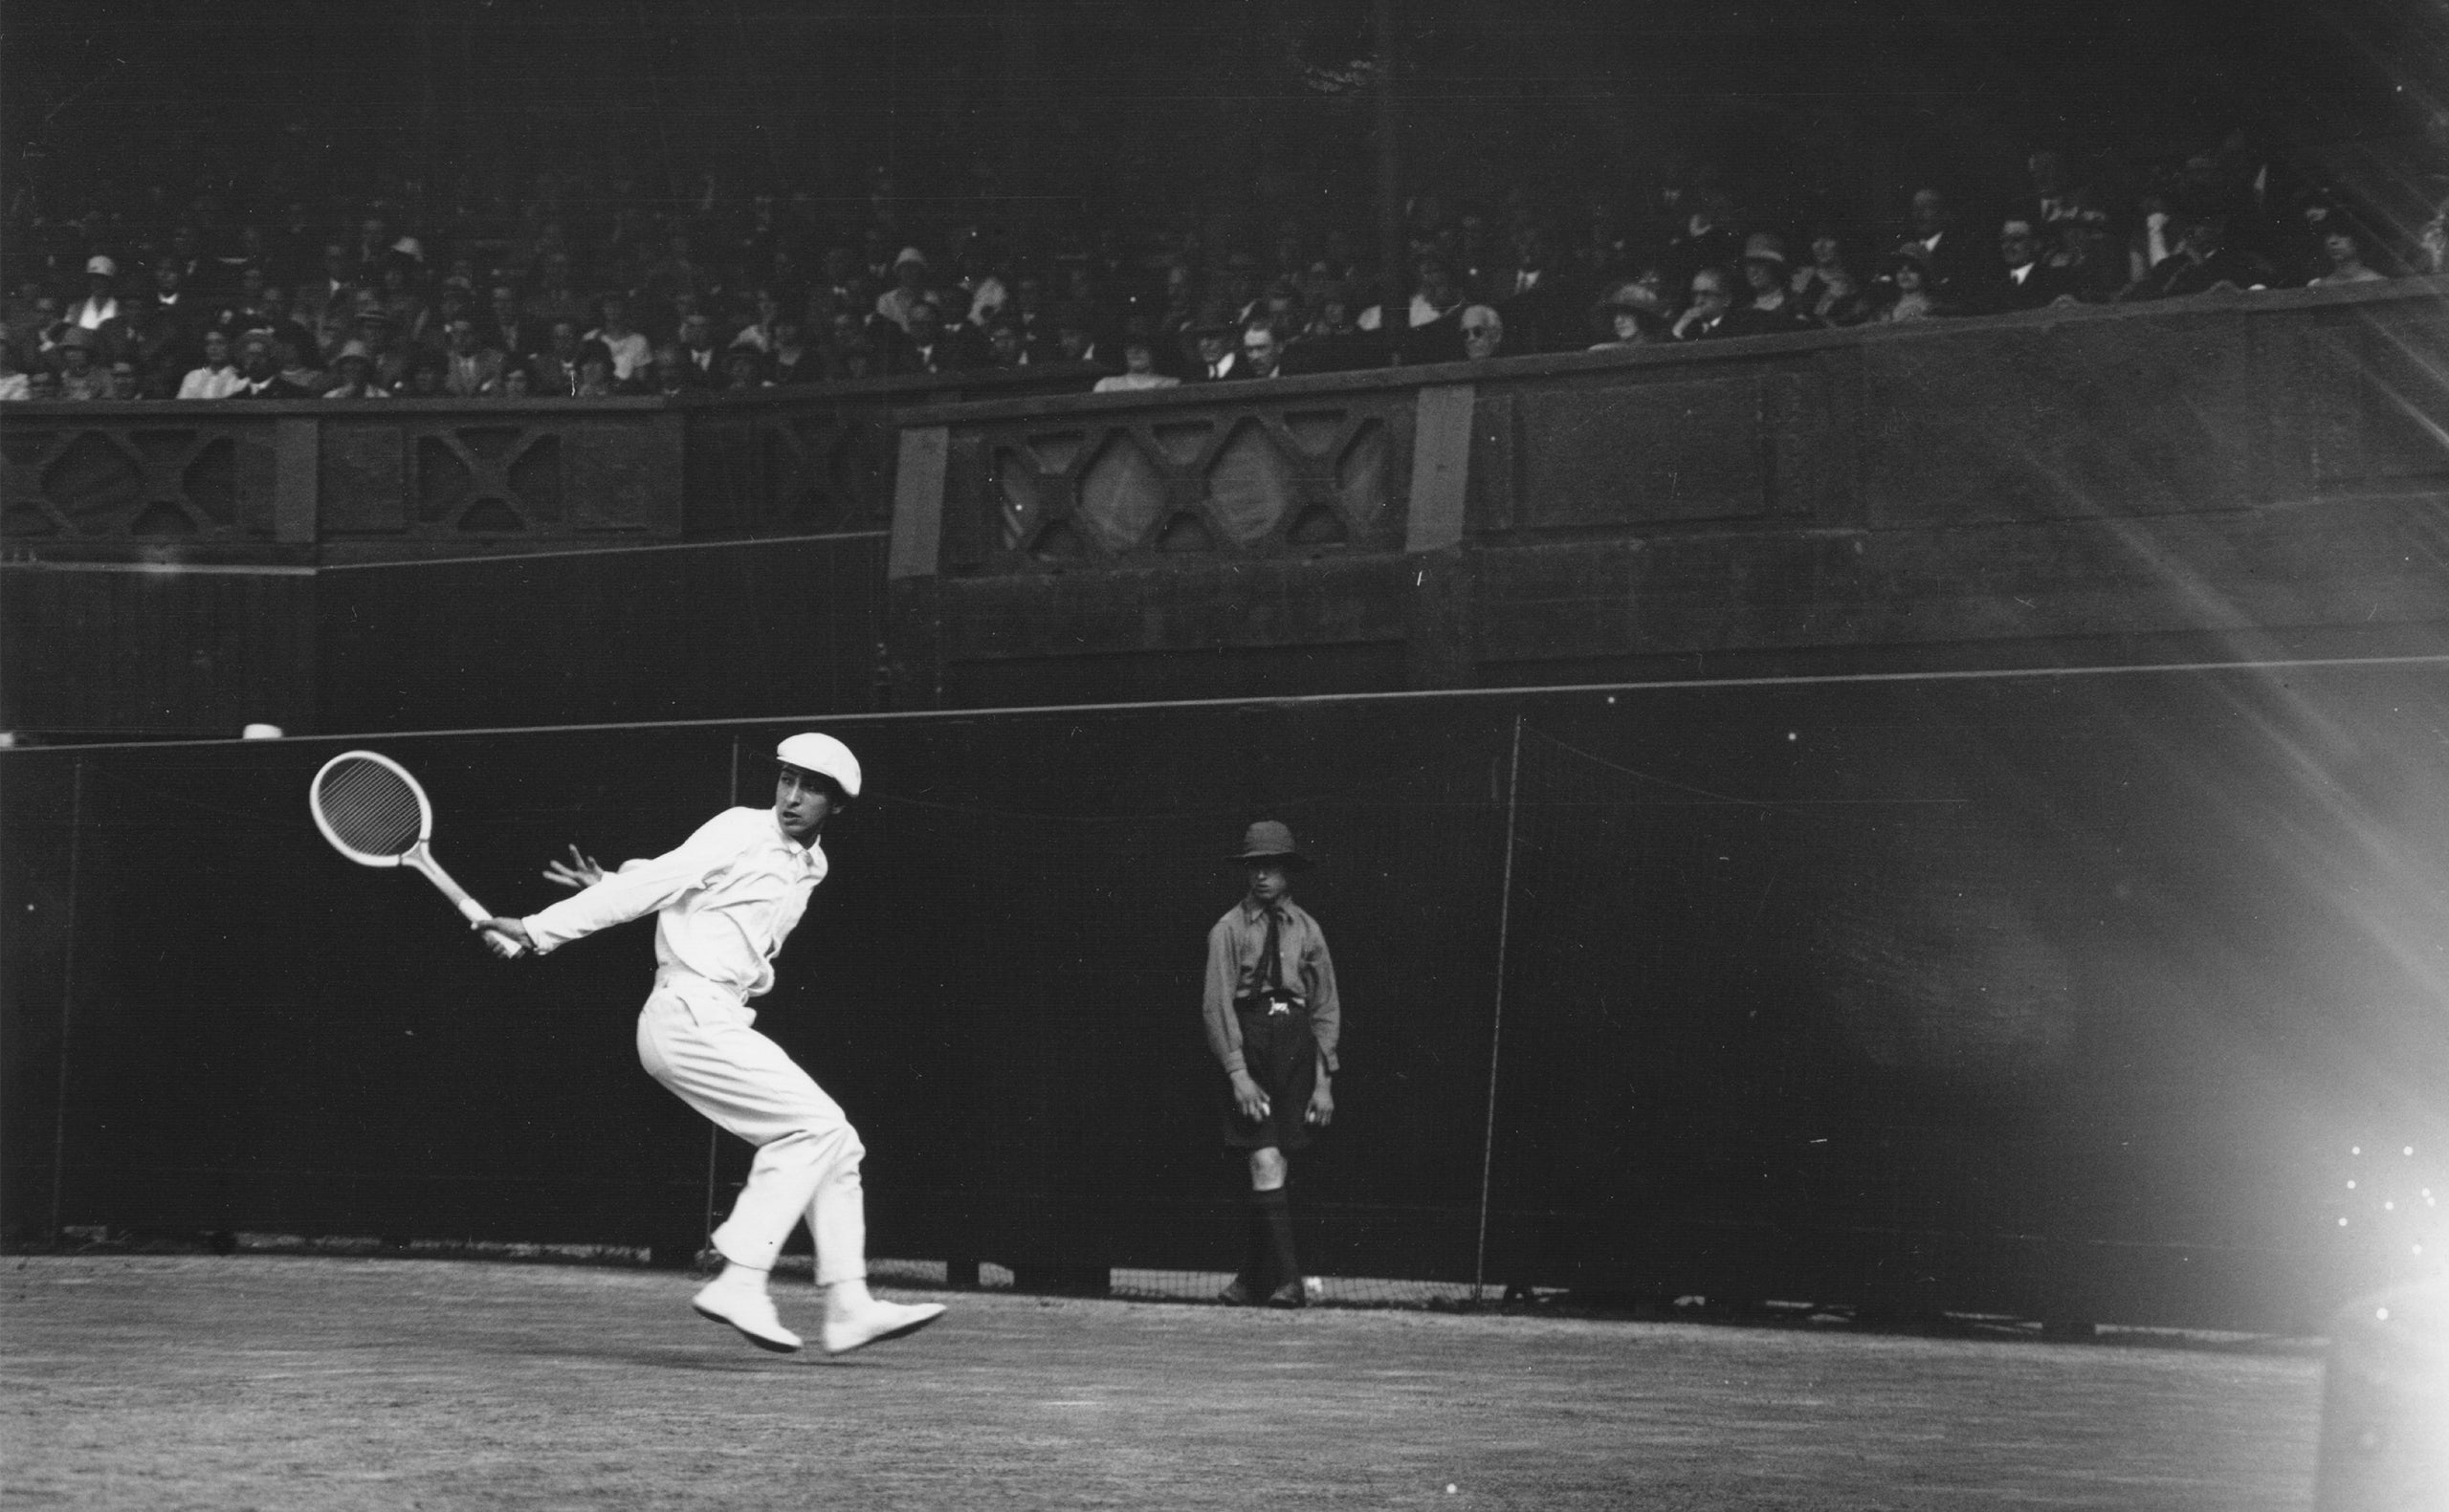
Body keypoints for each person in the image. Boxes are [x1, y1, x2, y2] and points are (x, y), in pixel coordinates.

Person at [474, 733, 947, 1357]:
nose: (792, 796)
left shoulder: (812, 866)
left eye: (810, 788)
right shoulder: (740, 827)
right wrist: (537, 929)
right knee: (813, 1129)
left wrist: (614, 878)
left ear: (838, 805)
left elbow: (700, 893)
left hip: (717, 1014)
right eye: (786, 780)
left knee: (837, 1142)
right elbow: (664, 881)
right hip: (686, 1011)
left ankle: (849, 1305)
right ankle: (743, 1280)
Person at [1202, 821, 1341, 1308]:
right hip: (1251, 1042)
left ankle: (1248, 1280)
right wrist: (1237, 1073)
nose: (1261, 876)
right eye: (1253, 867)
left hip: (1296, 1049)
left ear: (1287, 872)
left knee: (1275, 1164)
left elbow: (1324, 1008)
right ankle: (1290, 1281)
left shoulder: (1307, 930)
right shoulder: (1228, 929)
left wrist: (1324, 1082)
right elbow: (1217, 1005)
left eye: (1271, 867)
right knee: (1263, 1159)